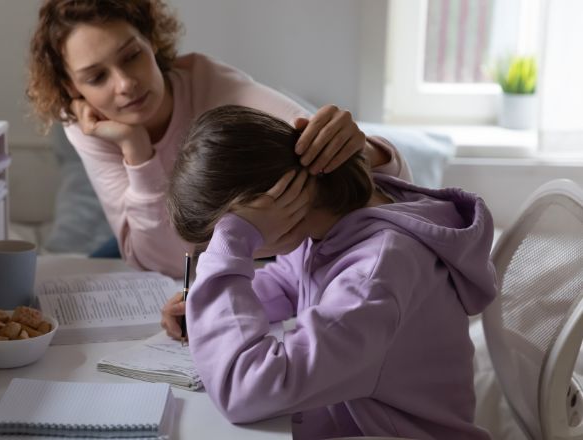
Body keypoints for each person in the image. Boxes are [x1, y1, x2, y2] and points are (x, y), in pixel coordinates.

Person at [165, 105, 497, 439]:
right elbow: (286, 282)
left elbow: (247, 388)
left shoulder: (374, 277)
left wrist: (232, 245)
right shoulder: (337, 220)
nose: (229, 250)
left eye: (222, 240)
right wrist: (205, 307)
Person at [26, 0, 411, 279]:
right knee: (77, 281)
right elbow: (159, 261)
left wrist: (367, 149)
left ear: (151, 42)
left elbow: (379, 185)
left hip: (259, 254)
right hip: (179, 247)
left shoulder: (216, 87)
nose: (125, 84)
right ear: (71, 87)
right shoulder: (90, 126)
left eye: (131, 56)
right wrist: (135, 149)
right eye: (96, 78)